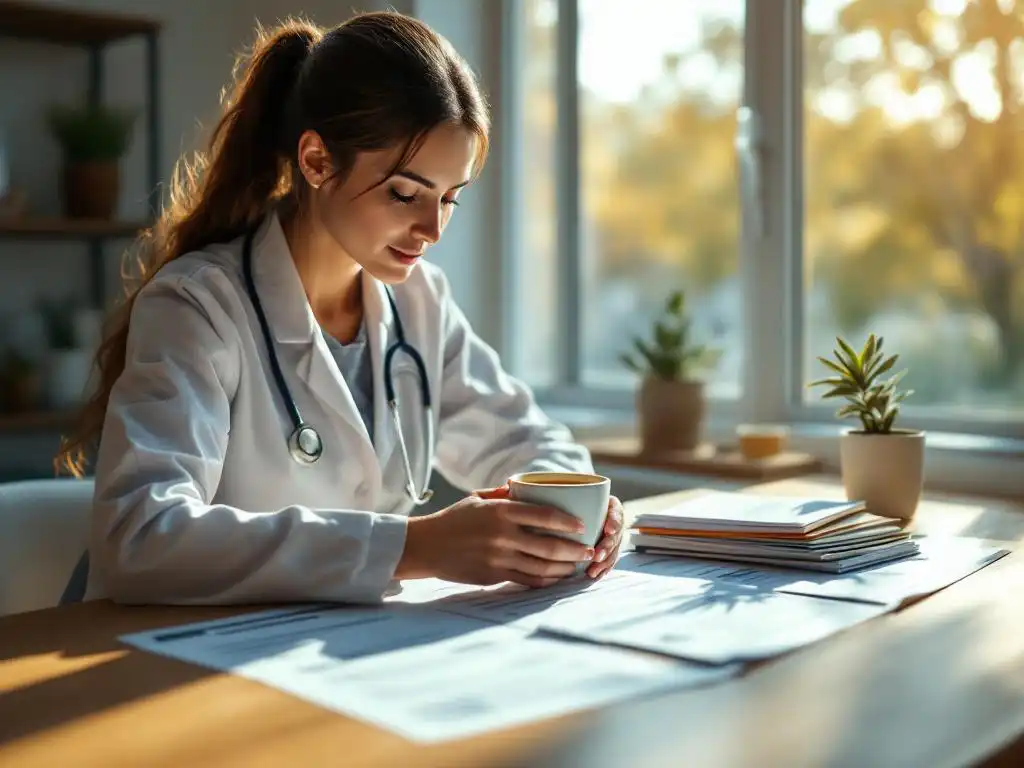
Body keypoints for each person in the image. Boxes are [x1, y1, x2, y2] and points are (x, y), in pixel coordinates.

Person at [56, 11, 623, 606]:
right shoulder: (198, 304)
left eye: (448, 199)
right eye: (405, 193)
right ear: (317, 161)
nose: (432, 229)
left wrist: (585, 505)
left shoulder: (420, 302)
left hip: (319, 639)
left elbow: (526, 440)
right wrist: (414, 547)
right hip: (153, 642)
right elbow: (141, 536)